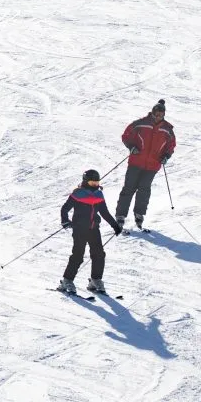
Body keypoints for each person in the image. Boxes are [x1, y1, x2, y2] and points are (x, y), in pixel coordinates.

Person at [57, 169, 123, 295]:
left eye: (97, 182)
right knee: (78, 256)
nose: (96, 185)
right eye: (93, 183)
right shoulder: (78, 193)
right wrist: (65, 221)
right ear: (86, 182)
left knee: (99, 254)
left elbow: (104, 212)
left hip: (94, 229)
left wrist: (115, 225)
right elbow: (65, 209)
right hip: (79, 229)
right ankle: (67, 280)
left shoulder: (98, 195)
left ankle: (95, 280)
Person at [116, 100, 175, 230]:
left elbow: (171, 145)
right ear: (153, 113)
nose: (159, 117)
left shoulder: (167, 129)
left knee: (144, 190)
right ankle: (120, 215)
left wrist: (166, 156)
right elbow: (126, 135)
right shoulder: (141, 123)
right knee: (129, 188)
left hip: (153, 165)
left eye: (161, 114)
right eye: (157, 114)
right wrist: (131, 147)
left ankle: (139, 214)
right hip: (136, 162)